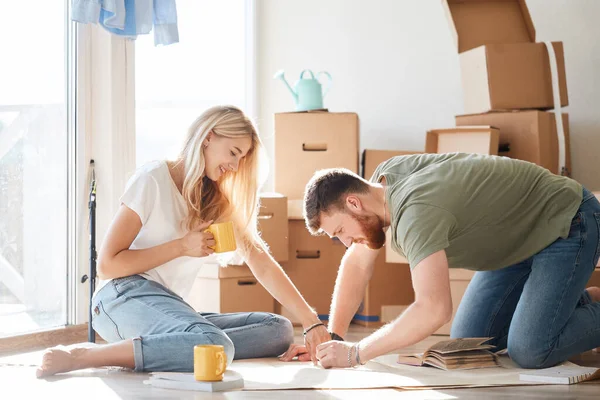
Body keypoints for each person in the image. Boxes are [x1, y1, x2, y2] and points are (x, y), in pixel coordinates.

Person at [36, 105, 330, 378]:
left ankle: (179, 344)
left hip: (168, 304)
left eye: (242, 159)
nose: (236, 165)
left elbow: (260, 261)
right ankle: (87, 356)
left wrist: (310, 321)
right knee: (215, 346)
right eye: (233, 152)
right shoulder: (153, 179)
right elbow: (107, 265)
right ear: (209, 137)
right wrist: (181, 246)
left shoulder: (215, 200)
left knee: (276, 330)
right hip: (119, 296)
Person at [279, 152, 600, 369]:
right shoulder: (382, 185)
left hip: (566, 220)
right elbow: (357, 263)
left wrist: (355, 354)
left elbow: (434, 308)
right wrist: (332, 340)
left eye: (341, 231)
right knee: (470, 342)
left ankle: (558, 311)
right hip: (516, 243)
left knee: (530, 350)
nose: (346, 241)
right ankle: (574, 301)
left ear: (353, 203)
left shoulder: (415, 212)